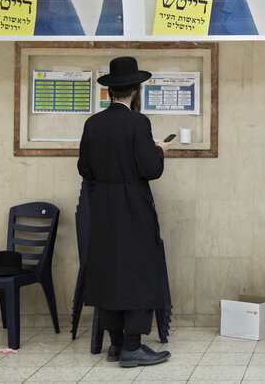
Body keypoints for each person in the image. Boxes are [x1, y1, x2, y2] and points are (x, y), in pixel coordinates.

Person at [77, 57, 173, 368]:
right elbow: (151, 169)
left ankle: (115, 345)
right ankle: (133, 347)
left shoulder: (93, 123)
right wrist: (160, 150)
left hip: (103, 205)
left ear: (108, 93)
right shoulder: (138, 123)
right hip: (132, 204)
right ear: (136, 90)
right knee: (138, 270)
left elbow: (85, 168)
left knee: (109, 270)